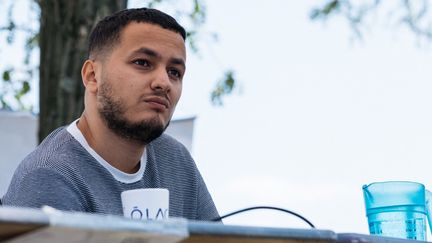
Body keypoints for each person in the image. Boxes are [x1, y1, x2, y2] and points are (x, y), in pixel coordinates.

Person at [2, 8, 219, 221]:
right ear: (92, 76)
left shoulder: (175, 159)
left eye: (174, 72)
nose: (163, 82)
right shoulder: (50, 176)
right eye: (142, 63)